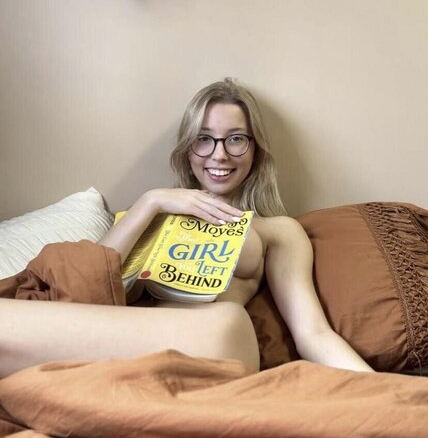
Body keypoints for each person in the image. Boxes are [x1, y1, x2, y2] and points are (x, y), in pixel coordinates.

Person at [0, 78, 373, 376]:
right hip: (129, 338)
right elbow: (85, 284)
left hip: (216, 335)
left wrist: (386, 391)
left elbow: (313, 333)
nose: (219, 154)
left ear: (255, 149)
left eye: (236, 139)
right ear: (188, 149)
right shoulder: (151, 212)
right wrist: (151, 202)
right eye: (204, 139)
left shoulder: (276, 230)